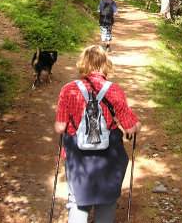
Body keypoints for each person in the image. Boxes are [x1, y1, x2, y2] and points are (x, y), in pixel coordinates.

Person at [54, 45, 141, 223]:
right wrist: (137, 126)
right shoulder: (114, 90)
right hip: (109, 155)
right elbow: (131, 128)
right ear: (105, 64)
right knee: (107, 201)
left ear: (82, 63)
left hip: (77, 154)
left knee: (77, 201)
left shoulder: (68, 89)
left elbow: (60, 128)